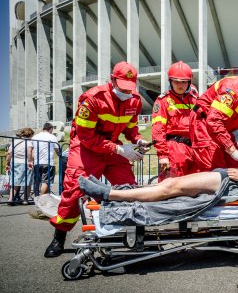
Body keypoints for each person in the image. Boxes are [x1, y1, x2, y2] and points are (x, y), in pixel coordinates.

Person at [44, 61, 151, 258]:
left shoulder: (134, 100)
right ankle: (59, 238)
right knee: (74, 193)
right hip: (86, 149)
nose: (126, 92)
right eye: (122, 87)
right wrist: (119, 149)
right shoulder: (92, 98)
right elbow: (86, 136)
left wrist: (137, 139)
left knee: (130, 189)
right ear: (112, 80)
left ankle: (135, 235)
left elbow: (130, 127)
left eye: (130, 88)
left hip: (113, 149)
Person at [79, 165, 238, 203]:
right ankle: (118, 191)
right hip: (231, 177)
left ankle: (109, 194)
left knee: (171, 187)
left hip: (232, 184)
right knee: (171, 184)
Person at [152, 61, 197, 179]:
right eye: (176, 81)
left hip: (194, 150)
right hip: (173, 151)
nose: (180, 85)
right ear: (170, 81)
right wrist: (163, 155)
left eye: (183, 82)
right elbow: (158, 130)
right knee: (170, 189)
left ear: (189, 82)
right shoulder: (163, 101)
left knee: (195, 188)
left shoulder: (194, 100)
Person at [28, 122, 60, 196]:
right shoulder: (52, 137)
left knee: (37, 181)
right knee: (46, 181)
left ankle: (36, 197)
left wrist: (30, 161)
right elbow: (57, 150)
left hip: (36, 162)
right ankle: (42, 199)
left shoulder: (35, 137)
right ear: (51, 129)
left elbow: (29, 150)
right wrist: (60, 157)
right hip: (48, 162)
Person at [5, 128, 35, 205]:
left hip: (14, 162)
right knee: (27, 182)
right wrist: (30, 161)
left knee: (15, 182)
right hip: (24, 162)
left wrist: (7, 163)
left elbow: (9, 153)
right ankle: (25, 200)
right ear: (30, 134)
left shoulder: (14, 141)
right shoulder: (29, 142)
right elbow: (29, 152)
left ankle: (11, 199)